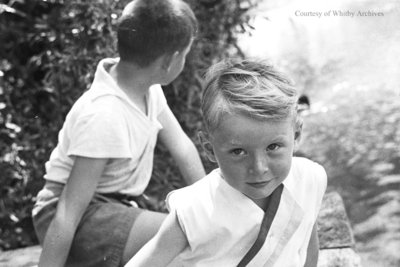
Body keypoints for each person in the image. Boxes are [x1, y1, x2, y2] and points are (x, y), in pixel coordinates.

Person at [31, 0, 205, 266]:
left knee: (200, 227)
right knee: (182, 234)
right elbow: (68, 210)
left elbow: (182, 147)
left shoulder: (147, 89)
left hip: (109, 208)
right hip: (68, 212)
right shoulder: (104, 114)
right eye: (185, 55)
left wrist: (210, 204)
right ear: (170, 61)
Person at [126, 58, 327, 267]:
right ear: (209, 148)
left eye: (273, 147)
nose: (259, 168)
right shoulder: (195, 211)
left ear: (296, 134)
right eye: (238, 152)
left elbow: (306, 245)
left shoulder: (310, 179)